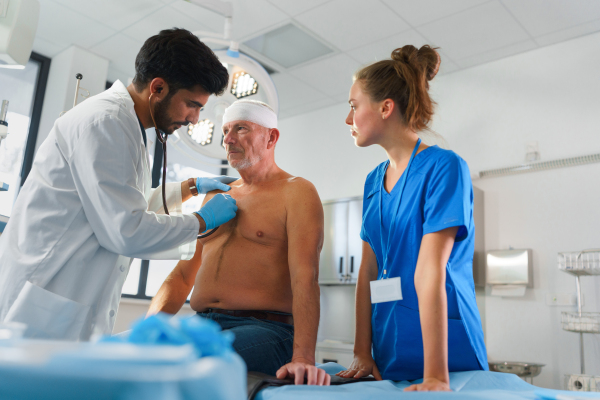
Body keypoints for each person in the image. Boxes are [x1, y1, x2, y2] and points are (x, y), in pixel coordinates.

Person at [0, 28, 238, 341]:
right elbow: (125, 229)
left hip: (62, 297)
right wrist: (201, 221)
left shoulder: (126, 126)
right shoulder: (106, 122)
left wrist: (190, 187)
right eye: (192, 104)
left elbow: (120, 203)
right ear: (158, 87)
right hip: (43, 296)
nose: (194, 119)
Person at [336, 45, 488, 391]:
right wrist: (362, 351)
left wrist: (436, 375)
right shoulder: (374, 181)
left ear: (386, 107)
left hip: (447, 355)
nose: (348, 119)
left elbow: (429, 268)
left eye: (353, 106)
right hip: (390, 346)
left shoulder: (444, 168)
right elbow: (369, 270)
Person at [147, 100, 330, 386]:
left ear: (271, 137)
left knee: (183, 363)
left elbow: (305, 279)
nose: (228, 140)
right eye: (226, 131)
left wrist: (303, 358)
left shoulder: (297, 192)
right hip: (203, 324)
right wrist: (147, 330)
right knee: (131, 357)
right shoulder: (215, 196)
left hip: (265, 330)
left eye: (241, 129)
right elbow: (182, 276)